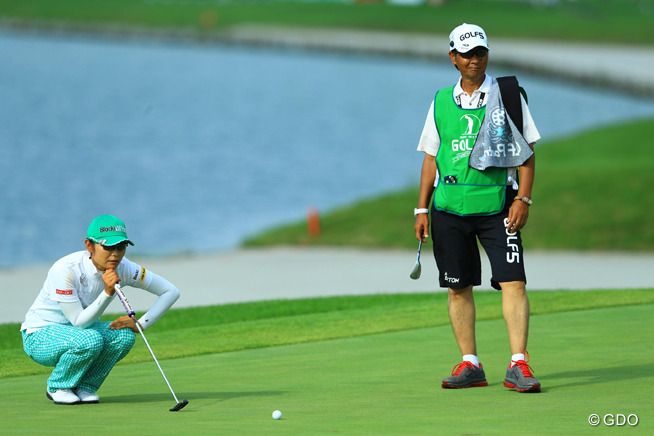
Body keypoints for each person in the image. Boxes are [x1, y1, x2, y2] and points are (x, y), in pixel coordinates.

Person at [413, 23, 541, 393]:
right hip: (448, 208)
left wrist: (523, 198)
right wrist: (421, 210)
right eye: (467, 54)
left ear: (488, 54)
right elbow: (430, 158)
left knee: (514, 281)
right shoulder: (439, 100)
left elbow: (527, 153)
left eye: (480, 52)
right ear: (453, 58)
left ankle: (519, 364)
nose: (475, 59)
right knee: (458, 287)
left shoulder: (509, 96)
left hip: (498, 206)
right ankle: (471, 364)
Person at [20, 214, 181, 405]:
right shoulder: (65, 269)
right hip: (39, 336)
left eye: (120, 247)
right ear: (89, 246)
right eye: (108, 247)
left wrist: (141, 324)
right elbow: (79, 322)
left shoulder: (125, 267)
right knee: (90, 339)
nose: (115, 254)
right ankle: (57, 386)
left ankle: (84, 387)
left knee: (124, 336)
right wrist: (107, 293)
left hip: (81, 334)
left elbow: (170, 291)